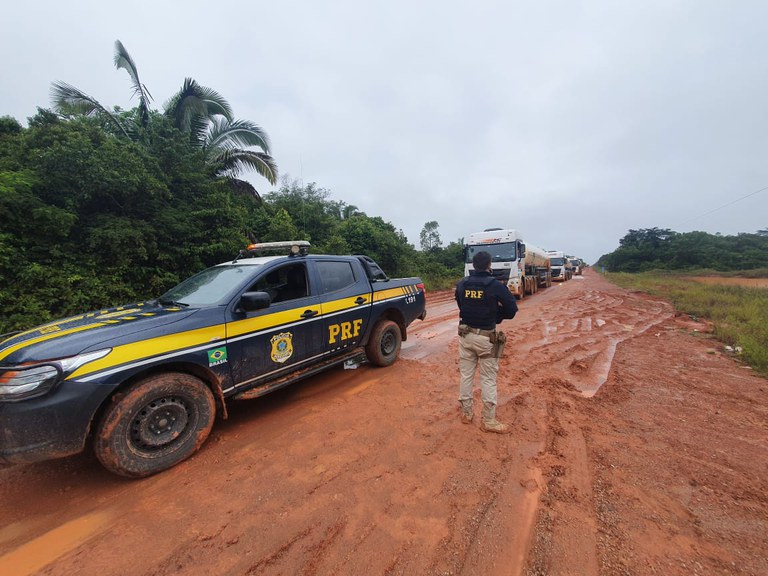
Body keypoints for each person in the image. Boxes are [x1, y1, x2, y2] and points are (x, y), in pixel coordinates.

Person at [455, 250, 518, 433]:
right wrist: (496, 316)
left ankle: (466, 414)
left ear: (474, 265)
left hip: (465, 336)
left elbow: (460, 304)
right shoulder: (495, 285)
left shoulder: (462, 284)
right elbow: (512, 310)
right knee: (488, 379)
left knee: (466, 376)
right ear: (489, 265)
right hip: (487, 338)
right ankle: (488, 421)